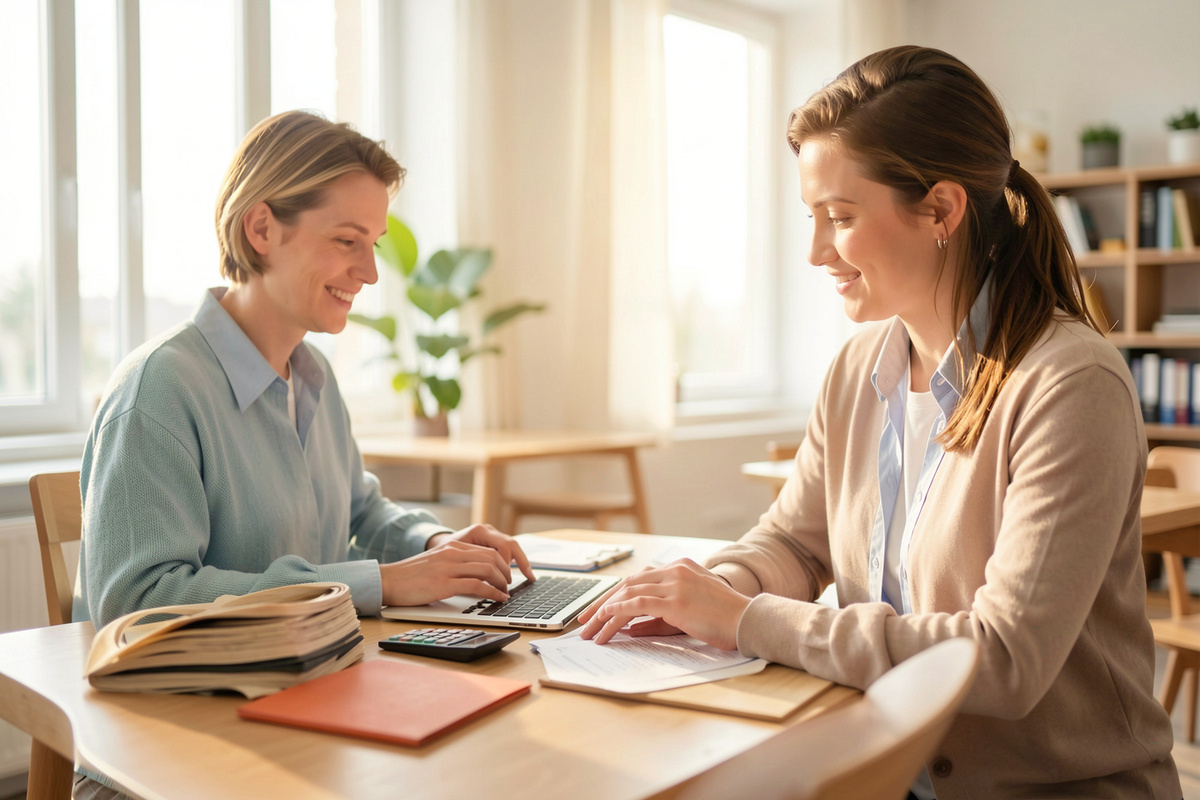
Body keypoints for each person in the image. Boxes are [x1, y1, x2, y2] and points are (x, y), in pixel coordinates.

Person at [579, 46, 1181, 798]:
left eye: (840, 217)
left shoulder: (1068, 384)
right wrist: (705, 592)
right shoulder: (859, 368)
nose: (815, 251)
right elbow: (794, 543)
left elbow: (1004, 659)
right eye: (812, 217)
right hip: (883, 766)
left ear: (940, 209)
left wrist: (742, 618)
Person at [75, 110, 533, 633]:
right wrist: (382, 583)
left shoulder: (312, 375)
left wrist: (436, 544)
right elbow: (140, 598)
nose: (369, 272)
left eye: (373, 244)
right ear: (262, 229)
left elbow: (359, 512)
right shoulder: (158, 390)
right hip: (182, 705)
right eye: (346, 241)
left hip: (313, 669)